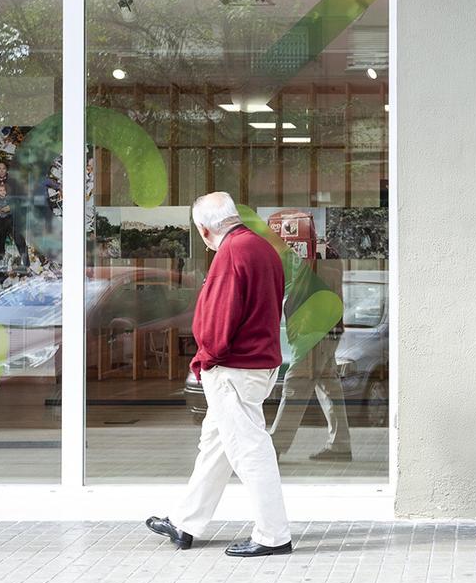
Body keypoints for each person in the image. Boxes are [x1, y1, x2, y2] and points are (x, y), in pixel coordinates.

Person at [146, 192, 293, 557]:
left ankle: (273, 535)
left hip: (234, 369)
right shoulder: (261, 248)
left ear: (204, 229)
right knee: (216, 446)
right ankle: (185, 522)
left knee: (250, 451)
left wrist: (204, 358)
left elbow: (218, 321)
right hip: (255, 364)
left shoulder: (230, 254)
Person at [273, 256, 353, 462]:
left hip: (313, 332)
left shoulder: (313, 258)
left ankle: (274, 446)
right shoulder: (324, 255)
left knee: (295, 386)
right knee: (329, 387)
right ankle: (340, 444)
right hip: (324, 330)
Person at [0, 159, 29, 268]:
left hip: (12, 216)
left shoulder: (13, 182)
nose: (1, 171)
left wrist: (11, 206)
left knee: (19, 239)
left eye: (3, 168)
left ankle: (27, 263)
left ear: (7, 170)